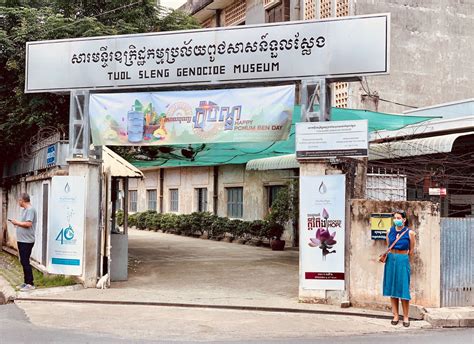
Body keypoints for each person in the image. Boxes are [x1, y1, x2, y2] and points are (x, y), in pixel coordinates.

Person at [383, 210, 415, 327]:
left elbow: (411, 250)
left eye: (398, 218)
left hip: (403, 259)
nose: (396, 220)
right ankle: (395, 315)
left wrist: (405, 260)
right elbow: (388, 245)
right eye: (395, 218)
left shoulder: (410, 233)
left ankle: (406, 316)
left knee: (403, 288)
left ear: (404, 220)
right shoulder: (389, 231)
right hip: (391, 259)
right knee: (392, 288)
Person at [9, 193, 37, 292]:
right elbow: (23, 224)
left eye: (19, 201)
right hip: (22, 240)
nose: (18, 202)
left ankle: (30, 284)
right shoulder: (25, 210)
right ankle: (26, 282)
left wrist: (17, 223)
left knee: (25, 261)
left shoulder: (30, 210)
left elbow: (29, 224)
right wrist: (16, 224)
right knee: (22, 261)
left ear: (22, 200)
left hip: (27, 241)